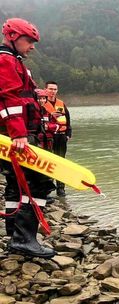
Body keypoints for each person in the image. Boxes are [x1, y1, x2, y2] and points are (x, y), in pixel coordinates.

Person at [0, 18, 56, 258]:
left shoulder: (15, 61)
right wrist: (19, 133)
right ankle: (25, 239)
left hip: (16, 134)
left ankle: (15, 236)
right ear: (12, 37)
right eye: (29, 41)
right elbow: (7, 97)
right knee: (39, 182)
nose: (32, 46)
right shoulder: (5, 60)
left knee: (16, 182)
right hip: (17, 136)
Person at [43, 80, 71, 197]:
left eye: (55, 89)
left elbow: (68, 118)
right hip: (48, 137)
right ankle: (48, 188)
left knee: (61, 162)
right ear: (46, 90)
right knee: (48, 162)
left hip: (61, 136)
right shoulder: (42, 103)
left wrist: (68, 133)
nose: (52, 91)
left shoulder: (61, 103)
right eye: (50, 89)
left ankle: (61, 189)